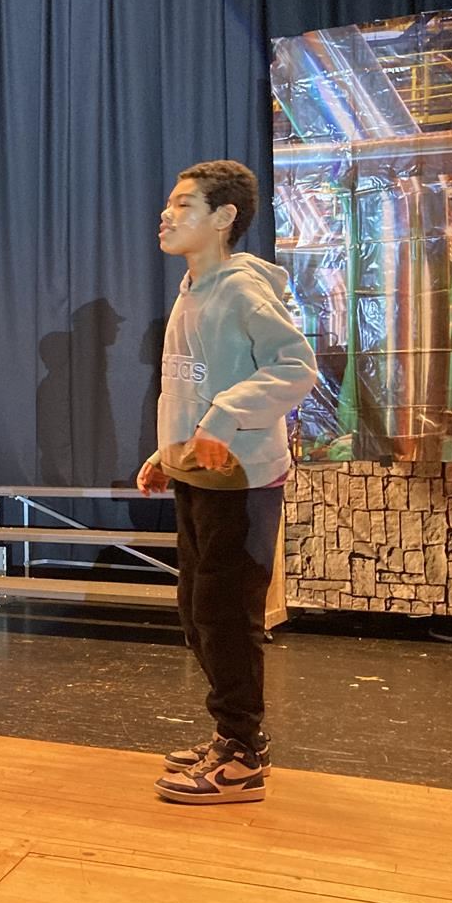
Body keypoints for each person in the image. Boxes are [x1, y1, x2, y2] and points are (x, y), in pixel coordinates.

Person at [137, 160, 316, 804]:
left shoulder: (242, 289)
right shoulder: (191, 289)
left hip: (242, 481)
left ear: (223, 218)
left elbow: (296, 367)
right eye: (169, 203)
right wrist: (169, 451)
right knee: (197, 613)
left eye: (184, 205)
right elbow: (188, 384)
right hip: (197, 474)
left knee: (227, 616)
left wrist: (223, 419)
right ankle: (231, 736)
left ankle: (242, 754)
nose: (167, 215)